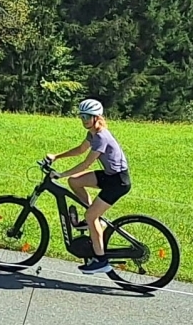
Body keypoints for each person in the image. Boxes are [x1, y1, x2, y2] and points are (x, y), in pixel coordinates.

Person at [45, 97, 130, 273]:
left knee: (90, 216)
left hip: (118, 182)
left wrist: (60, 174)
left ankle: (100, 260)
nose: (84, 120)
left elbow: (86, 164)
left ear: (96, 118)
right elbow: (81, 149)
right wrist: (56, 156)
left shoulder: (101, 137)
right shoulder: (92, 133)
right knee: (74, 181)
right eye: (81, 116)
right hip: (109, 175)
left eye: (87, 116)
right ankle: (94, 220)